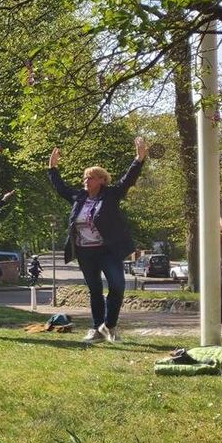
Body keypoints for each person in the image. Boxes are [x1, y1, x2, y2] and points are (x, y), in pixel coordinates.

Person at [48, 137, 148, 343]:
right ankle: (96, 329)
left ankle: (109, 325)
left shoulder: (111, 195)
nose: (86, 181)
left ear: (102, 180)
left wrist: (139, 159)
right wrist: (52, 167)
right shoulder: (79, 198)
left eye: (91, 177)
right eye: (85, 178)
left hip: (107, 250)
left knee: (118, 286)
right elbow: (61, 188)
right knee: (94, 290)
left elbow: (127, 180)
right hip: (85, 252)